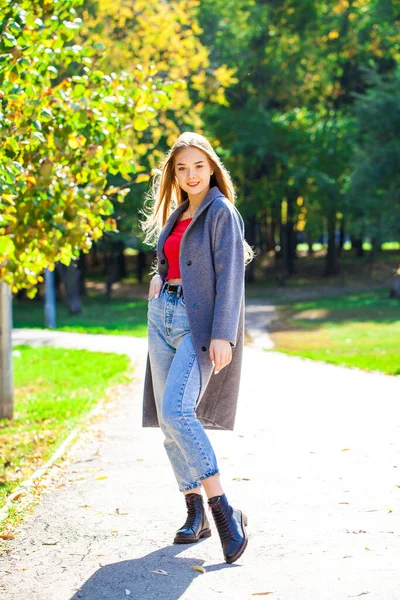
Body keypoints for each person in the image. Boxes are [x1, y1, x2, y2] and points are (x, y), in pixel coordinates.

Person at [141, 131, 254, 564]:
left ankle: (224, 510)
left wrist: (225, 332)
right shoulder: (177, 214)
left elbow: (229, 278)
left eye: (198, 166)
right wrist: (160, 273)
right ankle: (194, 514)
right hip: (161, 317)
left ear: (212, 168)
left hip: (199, 323)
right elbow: (175, 259)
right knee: (169, 425)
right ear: (174, 172)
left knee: (176, 411)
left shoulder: (222, 211)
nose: (190, 175)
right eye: (182, 167)